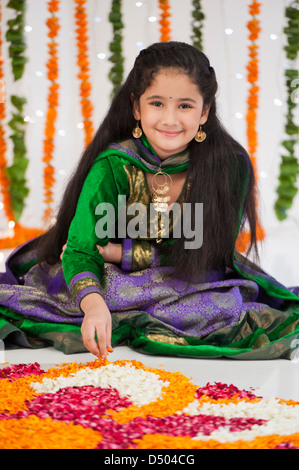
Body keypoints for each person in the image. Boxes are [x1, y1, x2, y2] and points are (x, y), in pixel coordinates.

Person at [0, 42, 298, 360]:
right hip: (112, 277)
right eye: (157, 103)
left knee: (219, 307)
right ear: (137, 108)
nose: (170, 119)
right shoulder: (112, 166)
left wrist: (124, 253)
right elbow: (80, 251)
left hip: (188, 278)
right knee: (108, 292)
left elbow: (205, 255)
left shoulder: (229, 167)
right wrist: (95, 306)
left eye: (185, 106)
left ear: (205, 110)